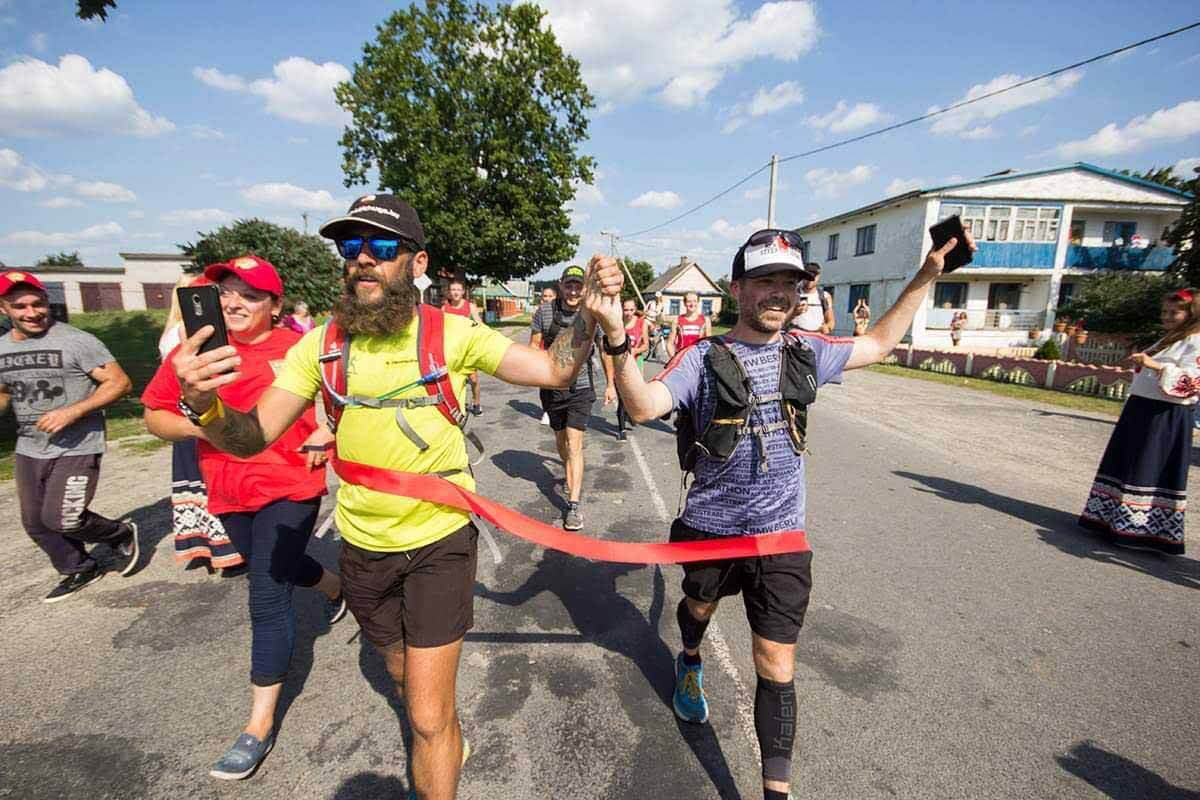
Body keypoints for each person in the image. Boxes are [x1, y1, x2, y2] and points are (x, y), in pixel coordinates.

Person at [170, 194, 617, 800]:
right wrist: (204, 404)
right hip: (360, 546)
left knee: (427, 717)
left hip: (439, 541)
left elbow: (555, 372)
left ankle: (440, 742)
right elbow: (249, 436)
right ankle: (444, 733)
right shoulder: (320, 345)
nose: (362, 261)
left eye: (381, 248)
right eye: (350, 248)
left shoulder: (453, 334)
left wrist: (589, 316)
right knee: (404, 678)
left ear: (416, 262)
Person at [591, 228, 973, 800]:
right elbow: (643, 406)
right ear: (738, 288)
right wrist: (619, 338)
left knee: (775, 663)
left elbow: (881, 344)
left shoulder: (807, 350)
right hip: (710, 533)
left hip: (780, 540)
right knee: (696, 608)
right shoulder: (703, 358)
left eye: (789, 282)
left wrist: (925, 276)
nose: (778, 292)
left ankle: (776, 792)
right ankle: (690, 660)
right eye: (765, 280)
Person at [142, 255, 346, 780]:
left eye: (250, 295)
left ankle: (257, 725)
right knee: (267, 563)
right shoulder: (195, 354)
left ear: (275, 307)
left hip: (291, 484)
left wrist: (330, 431)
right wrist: (200, 421)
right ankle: (330, 584)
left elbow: (344, 399)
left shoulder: (299, 348)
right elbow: (153, 415)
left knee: (265, 593)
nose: (233, 302)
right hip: (227, 491)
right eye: (226, 291)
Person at [0, 270, 139, 602]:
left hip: (78, 444)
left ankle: (119, 533)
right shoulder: (2, 348)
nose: (32, 313)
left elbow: (120, 383)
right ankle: (79, 567)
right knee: (35, 523)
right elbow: (4, 390)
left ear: (47, 302)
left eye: (38, 303)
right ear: (4, 308)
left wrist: (73, 411)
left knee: (63, 517)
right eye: (20, 306)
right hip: (30, 446)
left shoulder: (77, 341)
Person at [1079, 288, 1200, 556]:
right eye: (1164, 312)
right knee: (1128, 463)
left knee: (1147, 468)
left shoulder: (1196, 342)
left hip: (1165, 415)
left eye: (1174, 312)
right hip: (1142, 410)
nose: (1166, 317)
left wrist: (1155, 366)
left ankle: (1142, 529)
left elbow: (1193, 381)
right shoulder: (1171, 339)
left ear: (1191, 314)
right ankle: (1112, 520)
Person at [160, 275, 241, 572]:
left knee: (202, 483)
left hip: (194, 415)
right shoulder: (186, 334)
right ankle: (225, 545)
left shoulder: (172, 330)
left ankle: (210, 544)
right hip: (196, 414)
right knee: (209, 482)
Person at [531, 265, 610, 530]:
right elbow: (534, 346)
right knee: (561, 441)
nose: (574, 291)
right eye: (569, 285)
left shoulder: (592, 313)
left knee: (575, 443)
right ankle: (569, 472)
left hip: (582, 388)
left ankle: (573, 506)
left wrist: (611, 384)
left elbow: (604, 350)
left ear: (584, 288)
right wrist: (535, 374)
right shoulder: (544, 312)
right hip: (552, 388)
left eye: (578, 286)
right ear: (561, 285)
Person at [605, 298, 649, 441]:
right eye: (625, 310)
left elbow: (646, 345)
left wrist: (635, 351)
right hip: (620, 366)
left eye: (631, 310)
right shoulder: (617, 324)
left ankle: (629, 414)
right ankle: (621, 429)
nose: (628, 313)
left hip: (635, 364)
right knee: (622, 398)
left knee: (633, 395)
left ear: (635, 309)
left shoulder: (642, 323)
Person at [442, 279, 483, 415]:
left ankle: (476, 403)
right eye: (453, 290)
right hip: (451, 348)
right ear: (449, 292)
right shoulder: (444, 308)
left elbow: (479, 324)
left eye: (458, 290)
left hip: (467, 348)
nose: (455, 292)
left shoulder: (469, 306)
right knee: (453, 379)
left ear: (463, 292)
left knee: (473, 379)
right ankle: (456, 405)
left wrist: (473, 328)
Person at [535, 287, 558, 424]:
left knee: (556, 385)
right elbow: (534, 338)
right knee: (544, 386)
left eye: (550, 296)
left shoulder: (560, 313)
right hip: (542, 354)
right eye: (545, 296)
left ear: (555, 297)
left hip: (555, 355)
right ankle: (547, 411)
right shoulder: (539, 313)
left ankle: (556, 410)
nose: (547, 298)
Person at [667, 292, 712, 358]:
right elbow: (669, 343)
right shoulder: (677, 320)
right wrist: (674, 359)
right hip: (682, 358)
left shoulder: (705, 320)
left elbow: (709, 343)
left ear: (698, 302)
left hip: (699, 359)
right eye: (689, 301)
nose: (692, 304)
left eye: (694, 301)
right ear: (684, 303)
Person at [793, 262, 833, 333]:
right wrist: (794, 313)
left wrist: (827, 328)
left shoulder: (825, 296)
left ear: (818, 276)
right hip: (796, 336)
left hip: (816, 338)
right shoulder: (793, 293)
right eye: (807, 276)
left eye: (814, 275)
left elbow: (831, 322)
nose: (810, 279)